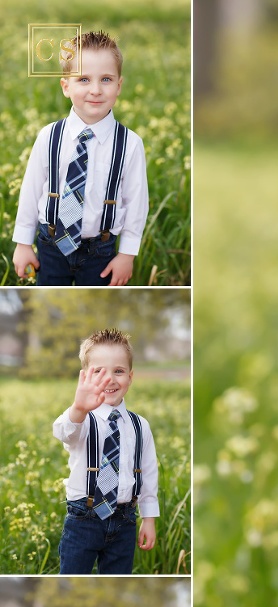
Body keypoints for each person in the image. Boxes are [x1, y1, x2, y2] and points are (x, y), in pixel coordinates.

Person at [12, 30, 148, 286]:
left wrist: (127, 254)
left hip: (101, 250)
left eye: (106, 79)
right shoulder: (49, 136)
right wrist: (22, 243)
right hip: (50, 244)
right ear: (66, 86)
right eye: (84, 79)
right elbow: (30, 192)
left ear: (119, 86)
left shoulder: (130, 144)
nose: (96, 90)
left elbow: (136, 203)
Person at [53, 328, 158, 574]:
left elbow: (149, 474)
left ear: (130, 377)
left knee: (119, 574)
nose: (109, 379)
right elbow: (63, 432)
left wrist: (149, 518)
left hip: (125, 519)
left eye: (118, 371)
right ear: (84, 377)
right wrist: (78, 407)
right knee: (73, 573)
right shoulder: (82, 419)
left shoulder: (139, 425)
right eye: (98, 372)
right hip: (83, 519)